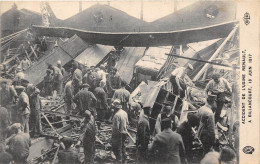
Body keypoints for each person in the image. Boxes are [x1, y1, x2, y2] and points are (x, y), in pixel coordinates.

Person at [111, 99, 129, 163]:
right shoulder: (124, 112)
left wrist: (113, 138)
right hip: (124, 132)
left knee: (117, 149)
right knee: (123, 147)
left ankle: (119, 161)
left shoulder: (116, 115)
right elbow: (127, 123)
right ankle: (124, 160)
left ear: (115, 107)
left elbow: (116, 128)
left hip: (118, 134)